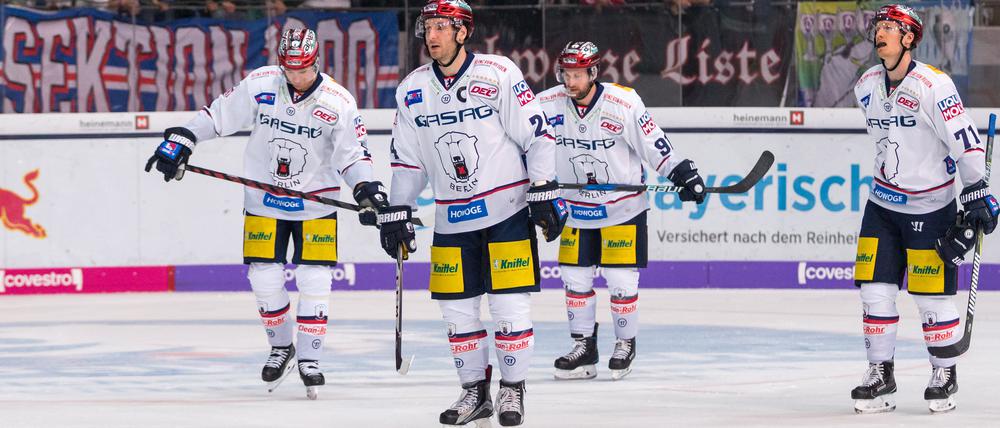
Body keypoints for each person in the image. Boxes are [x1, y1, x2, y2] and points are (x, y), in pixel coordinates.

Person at [144, 28, 388, 400]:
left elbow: (353, 155)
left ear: (316, 62)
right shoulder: (260, 83)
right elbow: (217, 115)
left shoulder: (339, 101)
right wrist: (183, 139)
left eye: (303, 69)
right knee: (265, 278)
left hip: (315, 204)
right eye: (290, 70)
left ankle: (310, 358)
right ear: (281, 64)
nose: (297, 77)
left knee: (314, 280)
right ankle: (281, 346)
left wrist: (366, 189)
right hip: (264, 199)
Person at [378, 1, 566, 426]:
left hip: (507, 214)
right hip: (452, 220)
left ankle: (512, 390)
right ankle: (474, 393)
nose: (432, 35)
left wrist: (544, 187)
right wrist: (398, 210)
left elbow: (537, 136)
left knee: (508, 308)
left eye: (442, 27)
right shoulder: (411, 90)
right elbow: (407, 162)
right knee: (457, 311)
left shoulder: (498, 74)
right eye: (428, 27)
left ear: (463, 32)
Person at [850, 4, 998, 414]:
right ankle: (881, 373)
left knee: (930, 296)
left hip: (930, 207)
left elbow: (965, 141)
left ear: (909, 38)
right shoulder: (865, 85)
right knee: (874, 291)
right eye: (878, 26)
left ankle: (944, 372)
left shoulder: (934, 85)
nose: (880, 32)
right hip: (881, 205)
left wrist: (975, 190)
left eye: (890, 28)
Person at [537, 41, 705, 382]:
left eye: (577, 75)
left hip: (622, 209)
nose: (570, 82)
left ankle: (625, 343)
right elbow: (528, 146)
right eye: (566, 74)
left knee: (620, 280)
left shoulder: (623, 103)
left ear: (593, 72)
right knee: (575, 278)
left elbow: (654, 144)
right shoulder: (546, 104)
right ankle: (584, 346)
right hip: (576, 210)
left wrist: (681, 172)